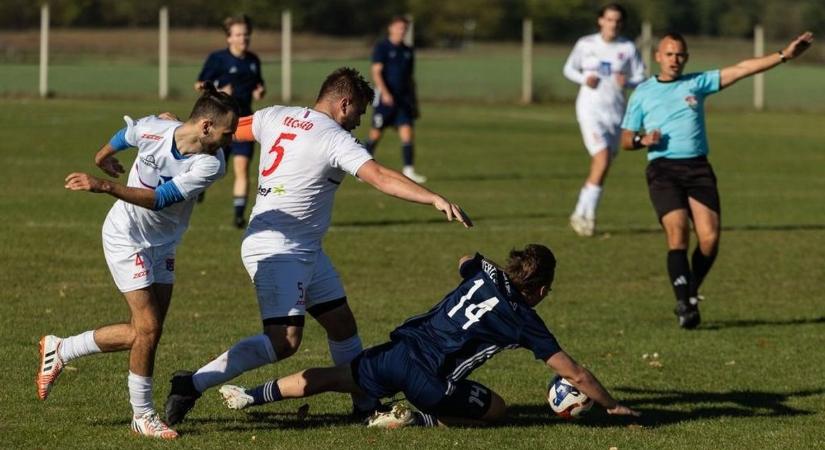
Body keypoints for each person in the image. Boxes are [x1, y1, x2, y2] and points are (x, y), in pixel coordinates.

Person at [165, 67, 472, 425]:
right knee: (284, 342)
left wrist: (177, 127)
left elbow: (226, 128)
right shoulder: (335, 139)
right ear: (344, 103)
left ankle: (365, 403)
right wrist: (432, 198)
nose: (358, 122)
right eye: (358, 113)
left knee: (342, 325)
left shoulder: (276, 115)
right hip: (278, 249)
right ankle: (191, 383)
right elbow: (380, 176)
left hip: (303, 248)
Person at [217, 244, 640, 428]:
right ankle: (414, 419)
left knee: (333, 376)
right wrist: (614, 406)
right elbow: (577, 375)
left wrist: (486, 269)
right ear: (542, 289)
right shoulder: (525, 320)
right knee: (498, 410)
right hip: (431, 380)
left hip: (400, 349)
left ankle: (250, 395)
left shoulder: (485, 272)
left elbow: (465, 259)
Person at [36, 86, 239, 439]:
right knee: (148, 328)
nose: (231, 139)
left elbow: (161, 199)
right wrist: (102, 156)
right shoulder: (155, 129)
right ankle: (142, 416)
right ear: (206, 126)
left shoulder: (211, 164)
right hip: (125, 238)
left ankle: (62, 348)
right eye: (228, 131)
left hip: (164, 244)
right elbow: (127, 133)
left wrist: (103, 185)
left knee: (147, 331)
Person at [620, 31, 814, 329]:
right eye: (669, 54)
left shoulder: (697, 83)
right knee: (678, 234)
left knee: (709, 239)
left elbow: (742, 69)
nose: (675, 60)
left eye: (680, 54)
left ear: (687, 57)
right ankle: (685, 303)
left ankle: (689, 291)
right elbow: (624, 139)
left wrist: (784, 55)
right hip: (663, 170)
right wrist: (641, 138)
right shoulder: (643, 93)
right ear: (658, 56)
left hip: (698, 169)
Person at [563, 3, 646, 237]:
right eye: (609, 19)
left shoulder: (628, 48)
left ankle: (580, 212)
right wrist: (583, 78)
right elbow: (568, 68)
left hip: (616, 113)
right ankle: (585, 217)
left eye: (618, 20)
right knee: (602, 158)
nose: (613, 24)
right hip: (590, 111)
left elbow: (642, 77)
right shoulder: (586, 44)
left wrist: (628, 82)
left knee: (603, 164)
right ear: (601, 21)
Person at [196, 14, 266, 228]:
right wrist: (218, 90)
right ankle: (198, 189)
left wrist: (259, 91)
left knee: (242, 168)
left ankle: (238, 216)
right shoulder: (217, 59)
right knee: (214, 166)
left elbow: (259, 85)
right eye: (238, 35)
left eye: (246, 34)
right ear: (229, 38)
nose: (243, 38)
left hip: (244, 122)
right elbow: (199, 85)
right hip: (220, 123)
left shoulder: (253, 61)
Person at [362, 16, 426, 183]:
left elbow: (410, 78)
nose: (402, 31)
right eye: (399, 27)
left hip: (403, 99)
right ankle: (362, 170)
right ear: (391, 28)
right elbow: (376, 72)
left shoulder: (408, 51)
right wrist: (385, 92)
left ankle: (409, 170)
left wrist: (414, 101)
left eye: (404, 28)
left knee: (407, 134)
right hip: (385, 99)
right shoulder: (382, 47)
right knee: (375, 133)